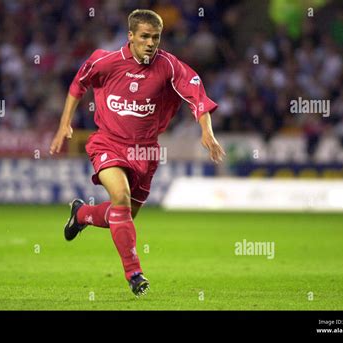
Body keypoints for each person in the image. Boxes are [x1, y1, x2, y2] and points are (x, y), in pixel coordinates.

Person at [49, 9, 225, 296]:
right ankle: (134, 273)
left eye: (155, 37)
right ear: (130, 36)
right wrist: (64, 123)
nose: (150, 43)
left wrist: (207, 130)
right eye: (144, 36)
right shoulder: (105, 61)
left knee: (124, 214)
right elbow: (77, 84)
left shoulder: (169, 66)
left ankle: (82, 215)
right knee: (120, 197)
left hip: (146, 152)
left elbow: (197, 95)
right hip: (108, 142)